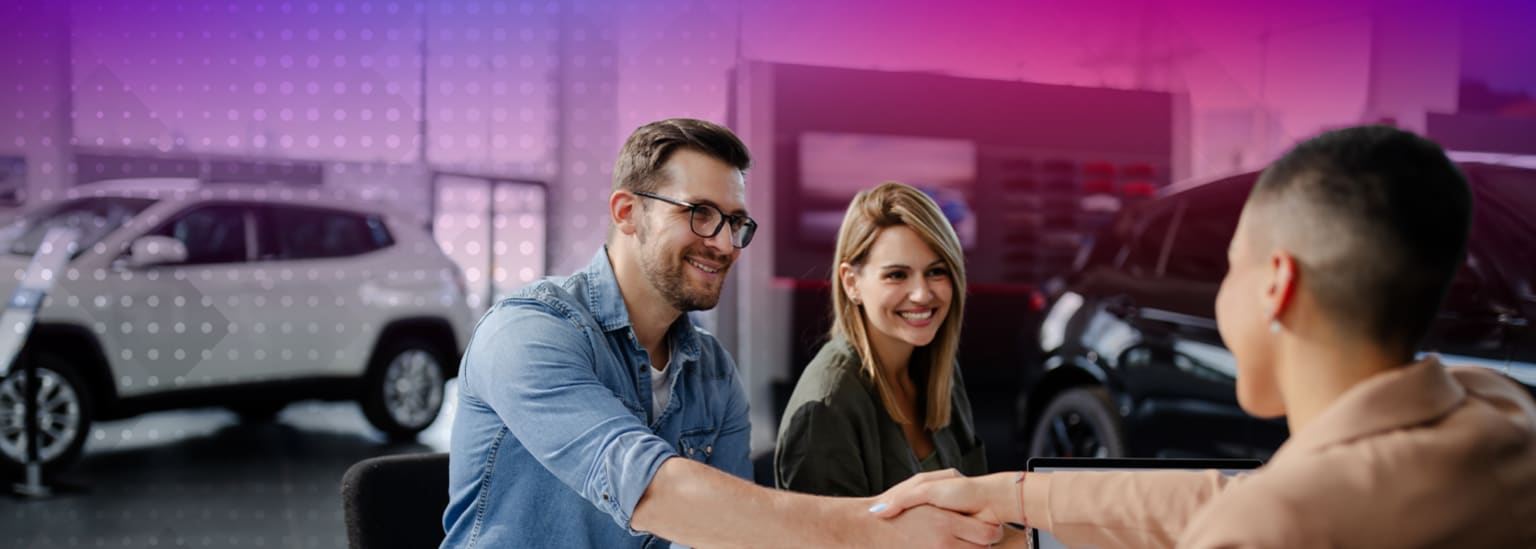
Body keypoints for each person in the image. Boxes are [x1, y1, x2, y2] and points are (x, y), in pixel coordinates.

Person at [869, 125, 1536, 548]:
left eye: (1229, 264)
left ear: (1277, 283)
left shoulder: (1271, 527)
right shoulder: (1501, 413)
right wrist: (1012, 494)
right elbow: (1235, 493)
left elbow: (1257, 511)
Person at [443, 118, 1002, 549]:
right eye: (700, 213)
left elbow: (729, 538)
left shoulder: (711, 368)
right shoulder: (529, 333)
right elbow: (652, 489)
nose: (725, 243)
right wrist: (877, 529)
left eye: (735, 222)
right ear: (626, 212)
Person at [776, 182, 987, 497]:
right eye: (897, 275)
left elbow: (979, 505)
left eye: (936, 272)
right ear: (852, 283)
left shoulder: (940, 371)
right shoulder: (826, 406)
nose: (922, 294)